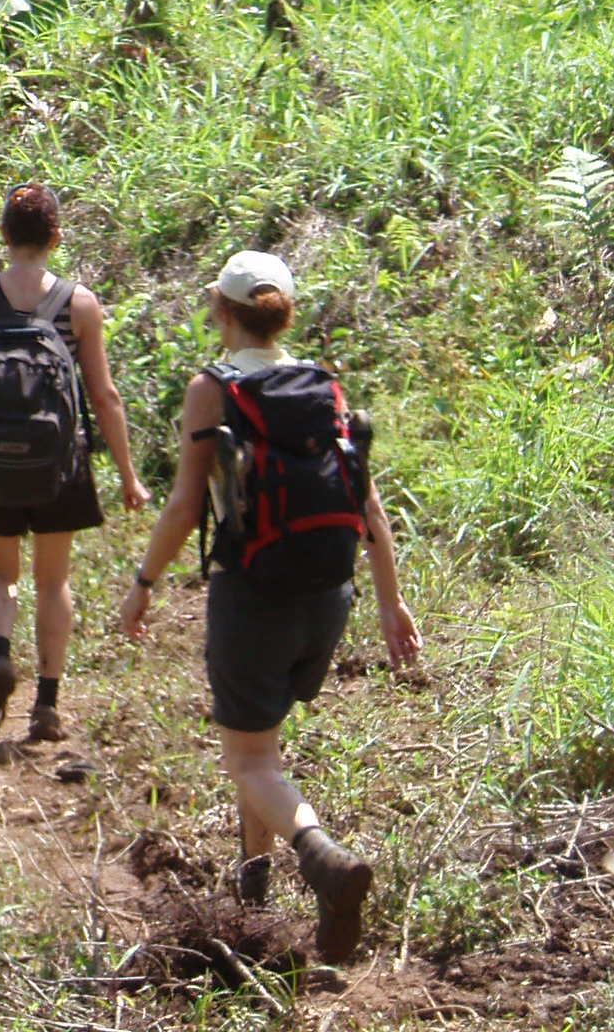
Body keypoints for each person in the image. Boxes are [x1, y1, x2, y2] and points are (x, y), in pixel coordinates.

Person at [119, 250, 424, 967]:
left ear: (224, 313)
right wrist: (391, 602)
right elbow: (366, 501)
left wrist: (143, 583)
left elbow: (186, 503)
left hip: (253, 593)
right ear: (283, 313)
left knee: (249, 758)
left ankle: (322, 857)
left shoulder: (210, 389)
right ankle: (251, 891)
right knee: (265, 743)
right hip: (329, 596)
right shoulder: (324, 387)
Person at [0, 183, 146, 745]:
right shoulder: (79, 303)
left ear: (4, 234)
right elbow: (105, 397)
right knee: (54, 580)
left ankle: (0, 656)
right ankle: (47, 705)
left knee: (0, 572)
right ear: (56, 236)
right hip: (61, 462)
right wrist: (127, 475)